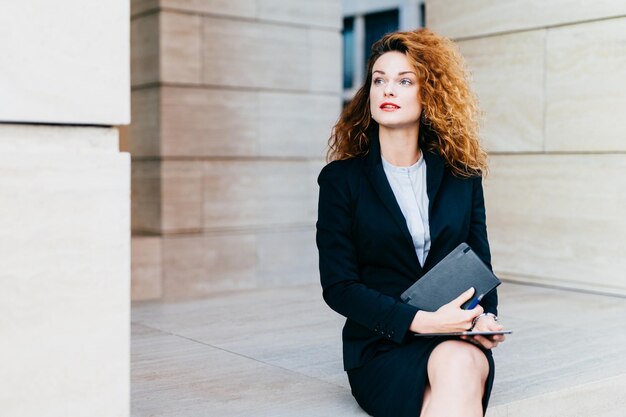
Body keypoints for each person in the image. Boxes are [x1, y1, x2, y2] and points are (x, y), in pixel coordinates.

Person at [316, 28, 506, 417]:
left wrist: (484, 318)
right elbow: (339, 287)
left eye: (404, 81)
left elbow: (478, 267)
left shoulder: (462, 176)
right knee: (457, 374)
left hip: (455, 332)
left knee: (460, 362)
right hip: (381, 343)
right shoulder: (341, 180)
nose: (388, 89)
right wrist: (423, 323)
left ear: (429, 94)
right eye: (379, 80)